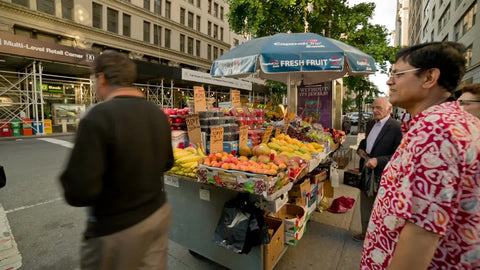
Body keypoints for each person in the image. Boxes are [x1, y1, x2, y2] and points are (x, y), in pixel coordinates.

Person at [361, 42, 480, 269]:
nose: (389, 81)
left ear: (429, 77)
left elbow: (422, 232)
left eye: (398, 74)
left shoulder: (437, 131)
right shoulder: (447, 123)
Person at [60, 51, 174, 270]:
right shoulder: (158, 114)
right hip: (158, 215)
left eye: (94, 80)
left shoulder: (97, 117)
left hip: (116, 229)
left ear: (101, 78)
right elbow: (167, 163)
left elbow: (79, 190)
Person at [353, 97, 402, 241]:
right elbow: (365, 141)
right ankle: (365, 232)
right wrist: (361, 149)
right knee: (365, 203)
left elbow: (399, 155)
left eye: (378, 108)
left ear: (389, 109)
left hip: (382, 173)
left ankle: (378, 236)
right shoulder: (370, 124)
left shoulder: (396, 127)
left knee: (380, 206)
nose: (374, 110)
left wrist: (378, 161)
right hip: (367, 169)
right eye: (373, 107)